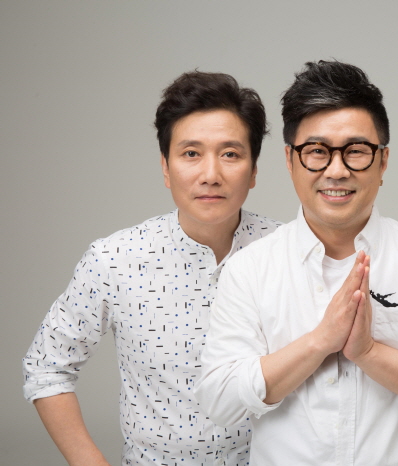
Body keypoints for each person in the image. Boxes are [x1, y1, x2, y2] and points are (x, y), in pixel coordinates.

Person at [195, 60, 398, 465]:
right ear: (290, 160)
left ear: (383, 161)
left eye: (355, 151)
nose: (336, 170)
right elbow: (219, 399)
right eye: (317, 152)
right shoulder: (250, 269)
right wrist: (319, 342)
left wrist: (369, 353)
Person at [22, 71, 281, 466]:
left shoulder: (288, 251)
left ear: (254, 169)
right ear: (165, 167)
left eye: (230, 154)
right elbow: (46, 367)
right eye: (191, 154)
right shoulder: (115, 258)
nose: (211, 175)